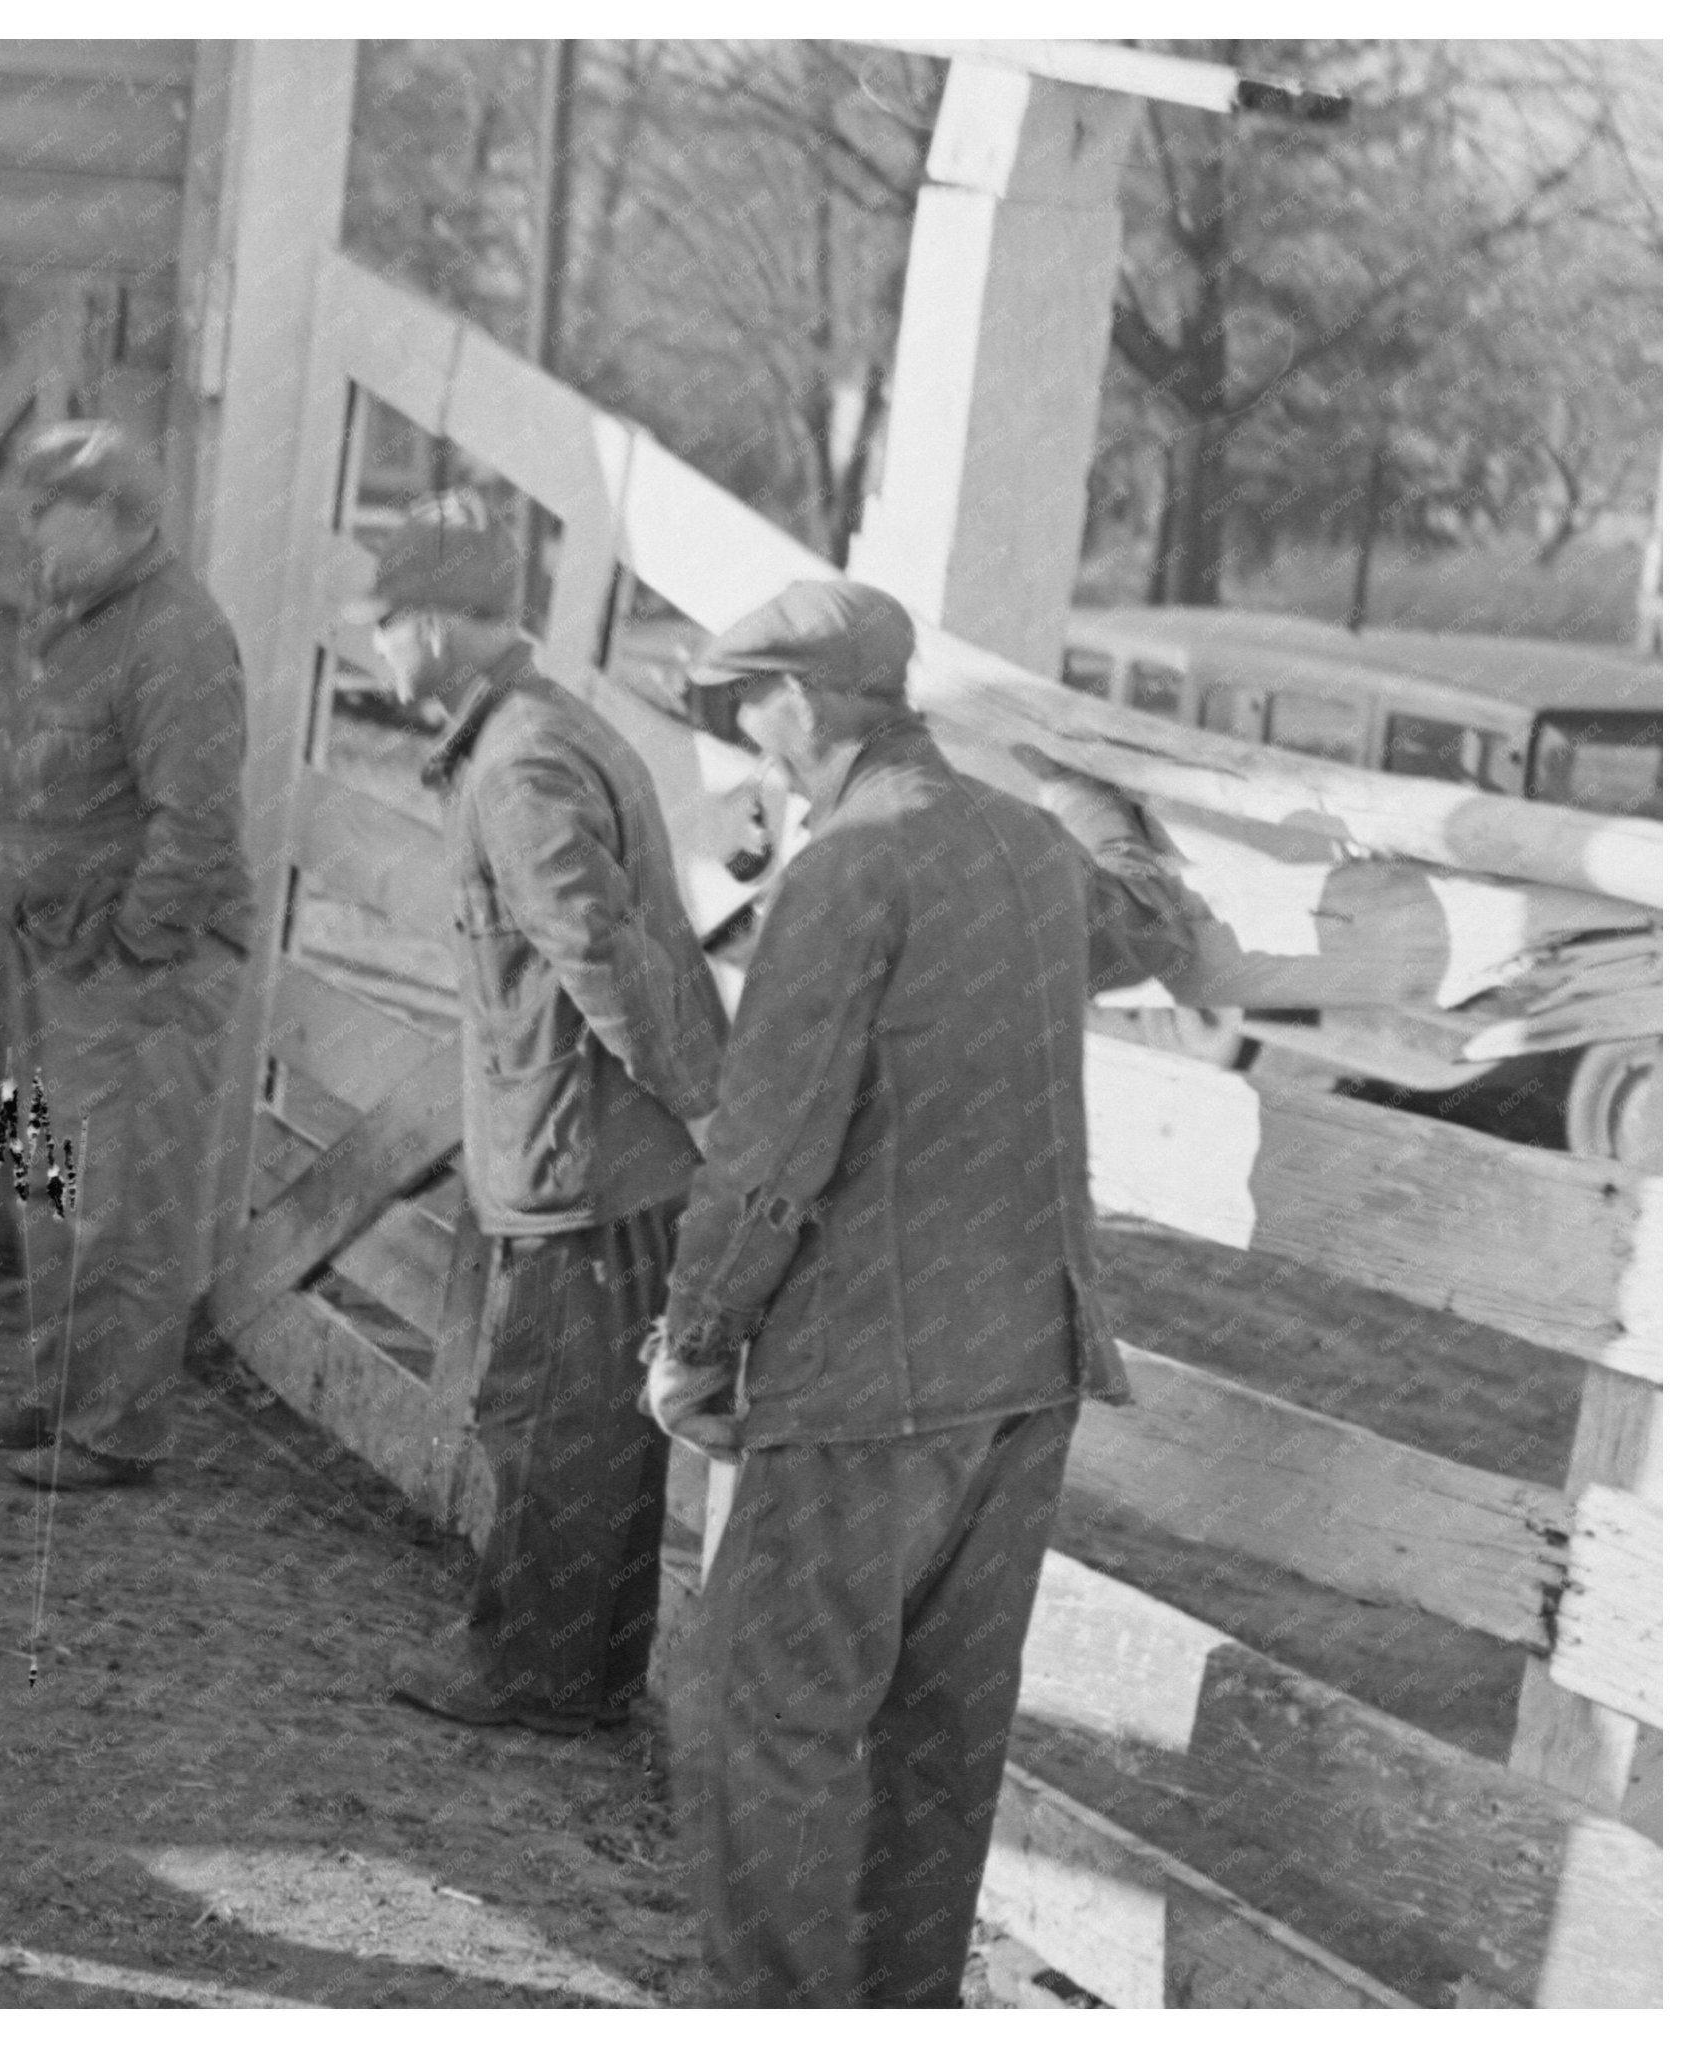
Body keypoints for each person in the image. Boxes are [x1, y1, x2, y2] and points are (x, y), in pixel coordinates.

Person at [643, 580, 1195, 2006]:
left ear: (806, 707)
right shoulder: (1025, 844)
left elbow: (766, 1162)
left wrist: (695, 1345)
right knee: (943, 1738)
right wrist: (1095, 785)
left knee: (776, 1720)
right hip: (1029, 1370)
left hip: (866, 1385)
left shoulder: (849, 874)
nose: (744, 738)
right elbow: (1153, 921)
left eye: (747, 705)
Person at [348, 492, 727, 1736]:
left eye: (389, 620)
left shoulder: (516, 762)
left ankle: (521, 1666)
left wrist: (699, 1112)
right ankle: (588, 1672)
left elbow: (601, 957)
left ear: (448, 628)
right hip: (606, 1146)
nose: (376, 646)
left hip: (580, 1154)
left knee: (546, 1420)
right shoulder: (544, 730)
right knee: (602, 1430)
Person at [0, 420, 253, 1491]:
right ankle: (55, 1390)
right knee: (38, 1172)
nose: (31, 532)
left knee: (124, 1200)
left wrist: (135, 945)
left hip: (135, 970)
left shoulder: (175, 637)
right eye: (30, 510)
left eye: (53, 512)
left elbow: (198, 823)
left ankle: (115, 1429)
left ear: (126, 521)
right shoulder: (68, 617)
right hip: (50, 950)